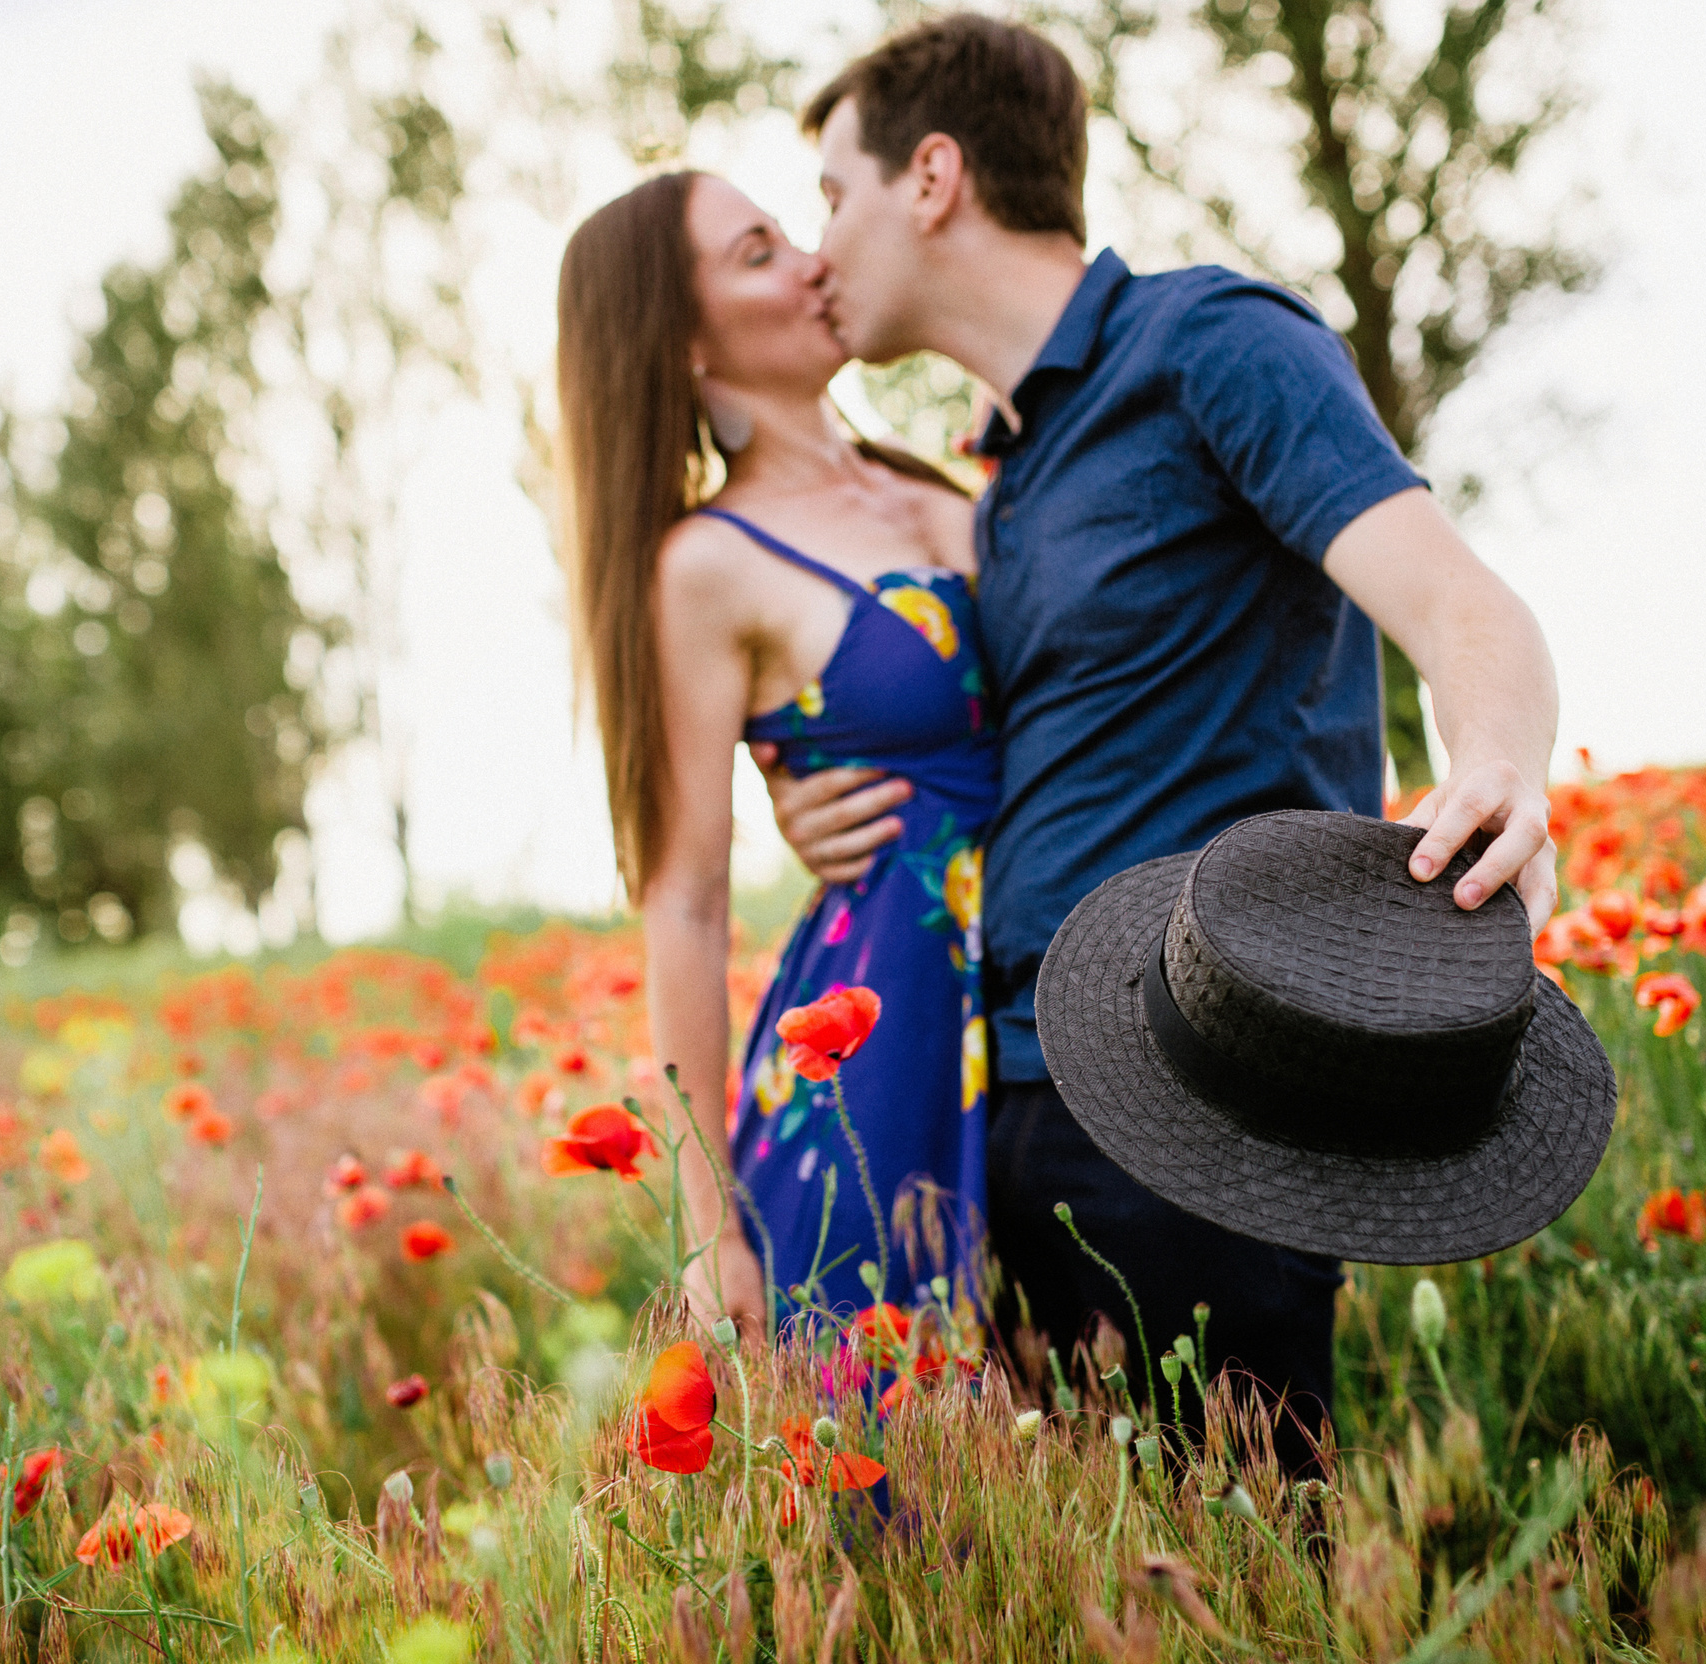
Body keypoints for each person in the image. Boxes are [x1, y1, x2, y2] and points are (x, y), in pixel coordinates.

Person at [760, 15, 1565, 1469]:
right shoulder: (1002, 477)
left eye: (834, 193)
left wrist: (1498, 765)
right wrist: (810, 813)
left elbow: (1461, 603)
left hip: (1200, 1095)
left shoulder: (1211, 347)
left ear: (932, 176)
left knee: (1243, 1587)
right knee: (1072, 1617)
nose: (818, 244)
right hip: (996, 1098)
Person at [556, 171, 1001, 1335]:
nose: (812, 261)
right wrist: (710, 1232)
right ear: (684, 342)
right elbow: (686, 897)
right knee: (942, 1480)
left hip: (1057, 985)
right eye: (758, 253)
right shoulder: (703, 567)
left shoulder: (925, 475)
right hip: (888, 1038)